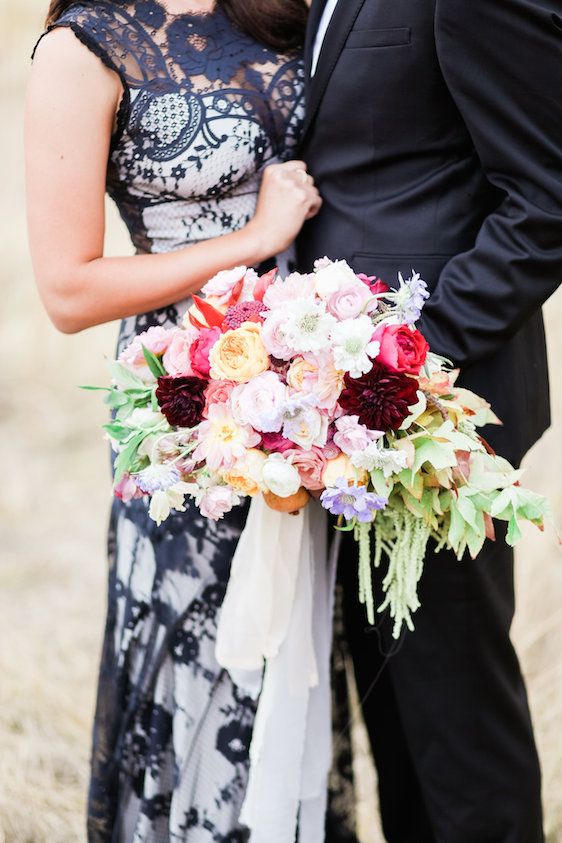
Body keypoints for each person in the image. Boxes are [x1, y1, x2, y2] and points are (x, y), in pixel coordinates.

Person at [26, 1, 321, 839]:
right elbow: (67, 291)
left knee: (294, 647)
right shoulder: (82, 48)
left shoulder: (278, 9)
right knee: (200, 642)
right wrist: (253, 238)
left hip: (314, 381)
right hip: (185, 398)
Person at [298, 2, 562, 842]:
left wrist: (414, 361)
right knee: (400, 719)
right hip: (337, 420)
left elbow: (548, 202)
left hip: (438, 417)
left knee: (459, 724)